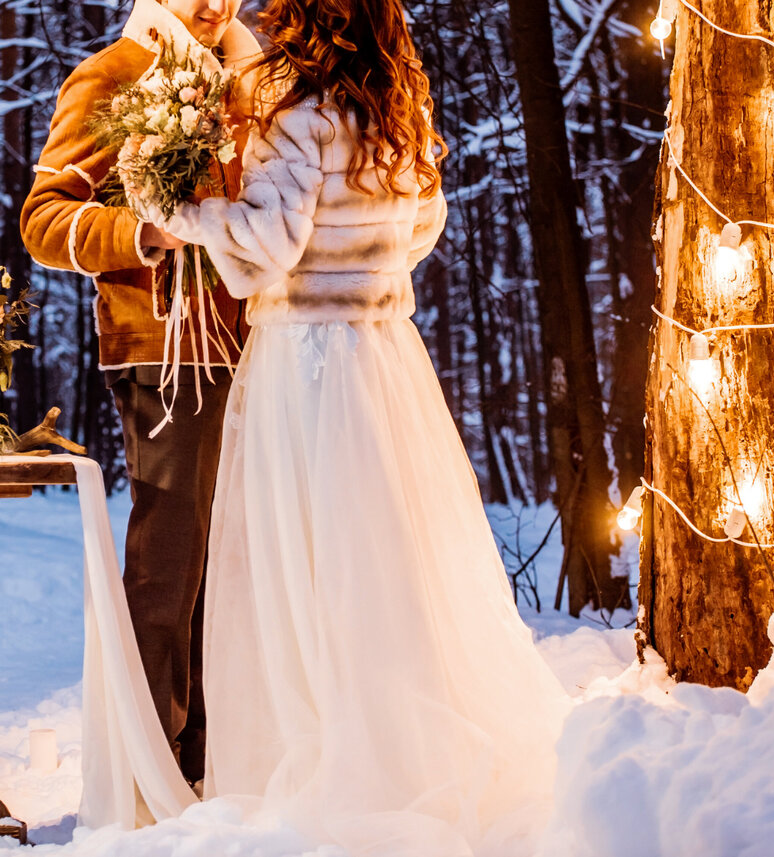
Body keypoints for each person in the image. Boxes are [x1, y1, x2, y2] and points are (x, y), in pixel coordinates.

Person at [148, 0, 572, 853]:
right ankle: (405, 753)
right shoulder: (399, 119)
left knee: (308, 568)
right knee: (385, 566)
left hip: (303, 364)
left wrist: (180, 214)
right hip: (384, 356)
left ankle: (334, 764)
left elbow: (265, 244)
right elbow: (422, 229)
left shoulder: (296, 117)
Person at [20, 0, 261, 787]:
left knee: (232, 559)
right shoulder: (112, 75)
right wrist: (139, 232)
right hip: (160, 350)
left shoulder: (249, 81)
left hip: (255, 348)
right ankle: (147, 769)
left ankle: (212, 763)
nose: (216, 7)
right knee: (170, 559)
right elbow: (42, 218)